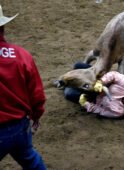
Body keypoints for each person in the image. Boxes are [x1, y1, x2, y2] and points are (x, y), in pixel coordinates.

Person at [0, 5, 46, 169]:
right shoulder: (21, 54)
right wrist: (36, 114)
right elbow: (37, 94)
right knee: (30, 159)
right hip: (20, 126)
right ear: (3, 27)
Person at [55, 62, 124, 124]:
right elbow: (114, 75)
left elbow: (99, 110)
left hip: (91, 96)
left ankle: (64, 82)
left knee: (69, 93)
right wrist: (101, 82)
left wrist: (85, 103)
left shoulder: (118, 112)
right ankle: (69, 79)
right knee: (78, 65)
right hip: (98, 81)